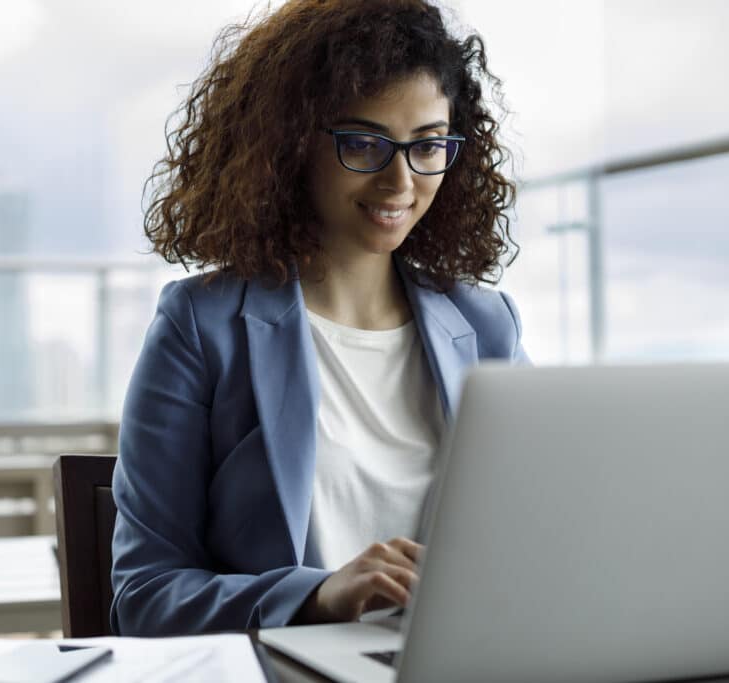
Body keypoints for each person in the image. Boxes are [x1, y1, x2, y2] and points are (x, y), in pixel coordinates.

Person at [110, 0, 528, 636]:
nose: (400, 181)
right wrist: (318, 596)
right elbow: (144, 594)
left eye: (429, 145)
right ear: (290, 141)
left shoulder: (488, 324)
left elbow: (550, 533)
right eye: (363, 142)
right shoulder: (202, 326)